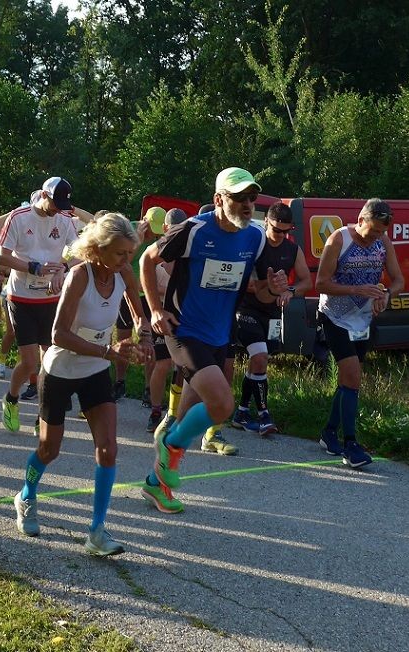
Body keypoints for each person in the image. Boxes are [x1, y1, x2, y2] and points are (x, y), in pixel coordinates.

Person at [139, 168, 288, 513]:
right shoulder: (193, 230)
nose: (248, 204)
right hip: (184, 330)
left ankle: (155, 485)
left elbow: (261, 293)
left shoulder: (254, 237)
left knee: (189, 414)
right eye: (239, 197)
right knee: (221, 405)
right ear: (220, 199)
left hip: (220, 334)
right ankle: (169, 446)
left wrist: (274, 289)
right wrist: (157, 310)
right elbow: (147, 259)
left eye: (252, 198)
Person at [13, 213, 150, 555]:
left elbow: (137, 309)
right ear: (98, 250)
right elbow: (57, 334)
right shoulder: (79, 275)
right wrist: (109, 351)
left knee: (108, 448)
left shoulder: (123, 272)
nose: (125, 260)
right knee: (50, 449)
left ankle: (97, 531)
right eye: (119, 253)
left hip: (94, 370)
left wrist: (144, 333)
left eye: (129, 253)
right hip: (60, 370)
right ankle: (26, 496)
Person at [315, 198, 403, 467]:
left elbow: (399, 280)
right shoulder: (338, 240)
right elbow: (321, 282)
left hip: (363, 319)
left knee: (348, 379)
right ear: (361, 220)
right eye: (373, 230)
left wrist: (386, 295)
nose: (376, 237)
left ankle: (329, 432)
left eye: (382, 232)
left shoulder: (382, 241)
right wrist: (358, 290)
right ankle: (350, 444)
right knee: (353, 375)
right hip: (335, 316)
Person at [0, 177, 80, 432]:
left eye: (62, 204)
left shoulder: (64, 219)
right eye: (54, 202)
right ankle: (11, 399)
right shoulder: (19, 217)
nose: (58, 208)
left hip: (51, 297)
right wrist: (34, 267)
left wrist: (62, 269)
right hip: (21, 297)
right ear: (43, 195)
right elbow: (2, 257)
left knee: (50, 362)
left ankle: (42, 415)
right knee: (30, 362)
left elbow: (80, 251)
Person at [233, 202, 312, 436]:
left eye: (286, 231)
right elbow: (239, 279)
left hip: (273, 313)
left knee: (257, 361)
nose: (281, 236)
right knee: (260, 356)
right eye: (277, 230)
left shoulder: (292, 249)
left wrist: (290, 291)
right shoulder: (254, 244)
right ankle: (264, 414)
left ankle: (241, 412)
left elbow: (307, 281)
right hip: (247, 309)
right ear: (266, 221)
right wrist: (266, 285)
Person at [113, 206, 164, 402]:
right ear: (143, 222)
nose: (153, 235)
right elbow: (123, 263)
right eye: (151, 230)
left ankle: (148, 388)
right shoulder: (128, 232)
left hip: (148, 294)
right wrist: (138, 241)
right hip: (125, 292)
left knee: (149, 341)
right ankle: (120, 381)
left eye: (157, 232)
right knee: (124, 338)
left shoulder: (161, 237)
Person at [145, 208, 188, 433]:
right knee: (162, 364)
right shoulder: (157, 252)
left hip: (182, 316)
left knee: (182, 367)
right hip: (161, 314)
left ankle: (175, 413)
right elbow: (143, 274)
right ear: (164, 229)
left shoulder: (186, 250)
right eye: (172, 231)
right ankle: (155, 411)